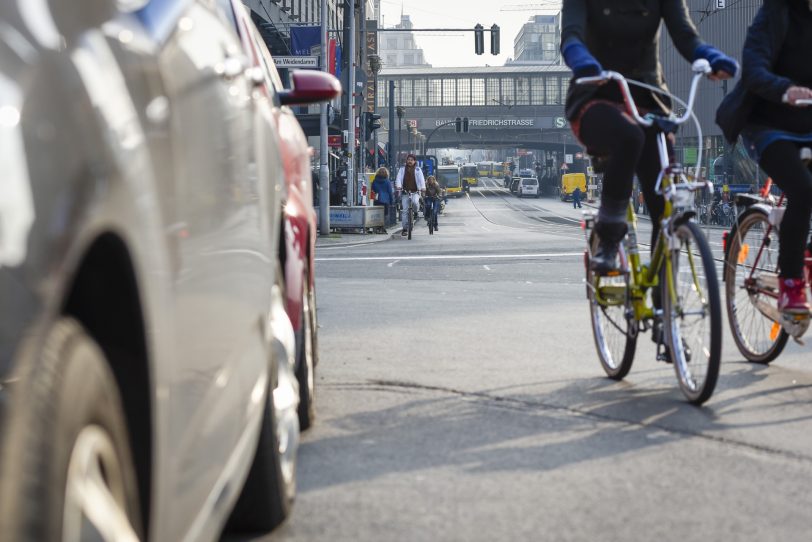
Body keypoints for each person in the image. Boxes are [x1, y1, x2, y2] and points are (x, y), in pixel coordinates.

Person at [561, 0, 737, 274]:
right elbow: (571, 36)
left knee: (664, 205)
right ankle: (609, 235)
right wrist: (581, 60)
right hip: (596, 94)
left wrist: (709, 56)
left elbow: (685, 34)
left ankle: (662, 300)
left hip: (647, 97)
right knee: (630, 136)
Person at [716, 0, 812, 316]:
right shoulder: (776, 12)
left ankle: (805, 253)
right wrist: (786, 90)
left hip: (808, 125)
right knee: (802, 189)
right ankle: (790, 284)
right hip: (769, 126)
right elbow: (754, 68)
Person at [394, 154, 426, 236]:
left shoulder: (418, 170)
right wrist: (398, 186)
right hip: (405, 192)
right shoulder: (402, 169)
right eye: (408, 159)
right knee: (404, 211)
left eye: (412, 160)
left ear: (414, 161)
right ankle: (404, 229)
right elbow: (398, 178)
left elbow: (422, 179)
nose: (410, 161)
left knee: (415, 203)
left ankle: (415, 212)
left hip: (415, 191)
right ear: (406, 161)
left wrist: (423, 187)